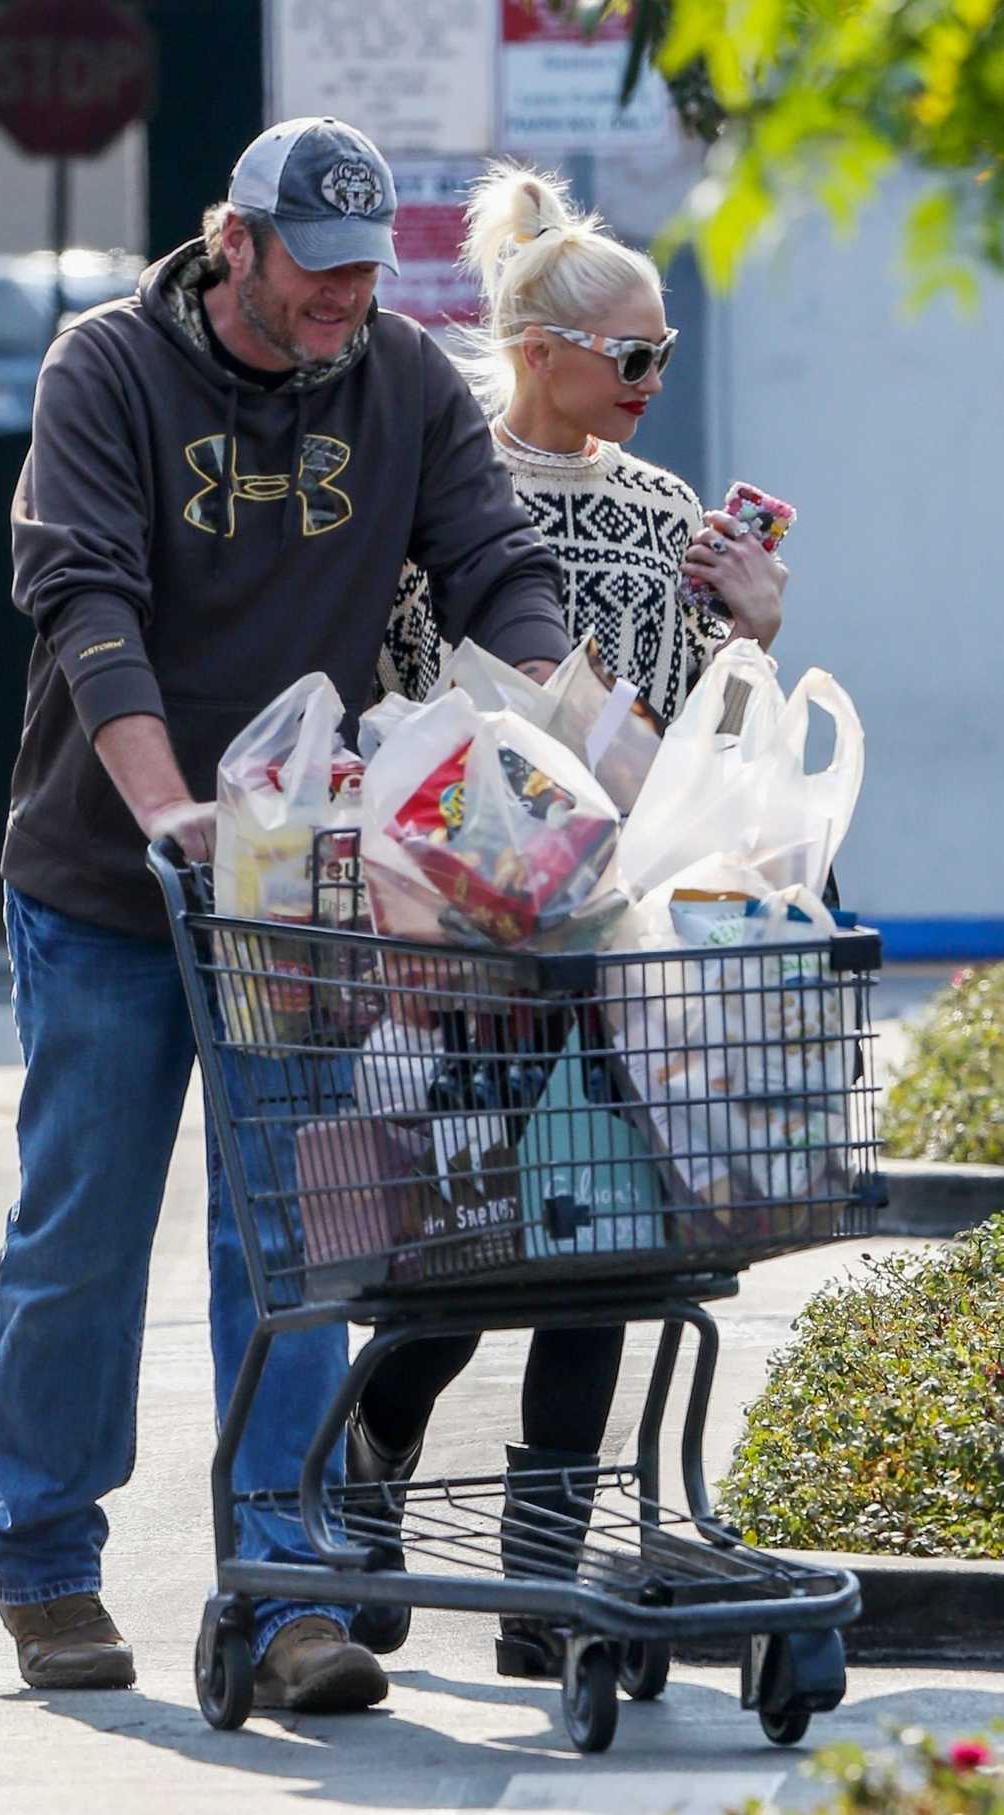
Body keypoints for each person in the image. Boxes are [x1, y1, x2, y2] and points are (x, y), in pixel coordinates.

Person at [0, 119, 571, 1715]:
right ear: (235, 240)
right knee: (81, 1231)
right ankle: (43, 1562)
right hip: (109, 877)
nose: (347, 298)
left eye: (371, 269)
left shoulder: (407, 381)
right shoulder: (104, 373)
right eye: (320, 265)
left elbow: (492, 557)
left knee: (293, 1242)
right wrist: (169, 811)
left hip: (298, 898)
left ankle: (282, 1581)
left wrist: (550, 724)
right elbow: (86, 603)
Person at [350, 163, 787, 1676]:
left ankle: (541, 1580)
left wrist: (754, 631)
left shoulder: (668, 513)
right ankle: (367, 1478)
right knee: (459, 1256)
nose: (655, 383)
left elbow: (689, 745)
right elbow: (391, 695)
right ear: (537, 347)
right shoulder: (440, 488)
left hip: (612, 936)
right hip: (467, 932)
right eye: (633, 356)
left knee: (593, 1248)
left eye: (663, 354)